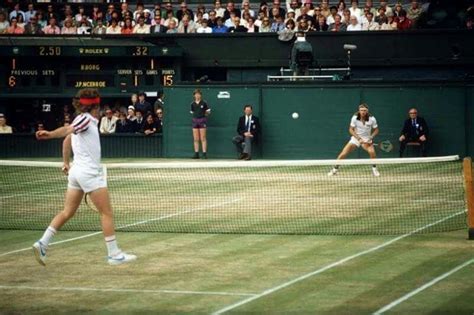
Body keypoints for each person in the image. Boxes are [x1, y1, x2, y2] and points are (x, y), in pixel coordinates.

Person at [33, 89, 136, 266]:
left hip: (76, 173)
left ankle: (43, 243)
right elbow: (67, 130)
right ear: (95, 106)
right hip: (89, 173)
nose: (102, 109)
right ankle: (114, 254)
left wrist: (66, 162)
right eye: (100, 106)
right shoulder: (85, 119)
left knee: (68, 212)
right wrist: (49, 134)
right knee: (107, 212)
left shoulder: (84, 120)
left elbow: (67, 140)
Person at [328, 104, 380, 177]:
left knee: (372, 152)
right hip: (356, 138)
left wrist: (371, 137)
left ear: (367, 111)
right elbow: (350, 129)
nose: (363, 112)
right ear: (359, 110)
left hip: (367, 139)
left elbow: (376, 130)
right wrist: (358, 138)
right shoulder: (354, 118)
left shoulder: (372, 119)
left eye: (365, 110)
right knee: (343, 153)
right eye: (361, 110)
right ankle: (334, 170)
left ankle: (374, 170)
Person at [190, 89, 210, 159]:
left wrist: (203, 116)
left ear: (200, 95)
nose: (197, 95)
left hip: (202, 120)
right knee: (196, 138)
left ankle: (204, 153)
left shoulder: (204, 103)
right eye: (196, 94)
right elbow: (192, 112)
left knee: (203, 138)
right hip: (195, 121)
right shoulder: (192, 104)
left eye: (198, 94)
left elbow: (208, 112)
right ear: (194, 95)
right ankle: (196, 153)